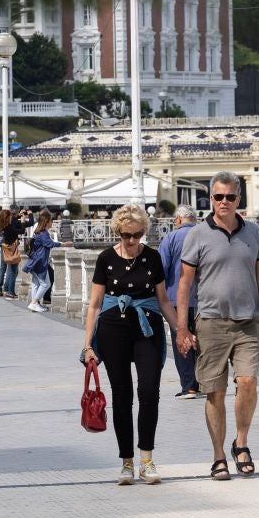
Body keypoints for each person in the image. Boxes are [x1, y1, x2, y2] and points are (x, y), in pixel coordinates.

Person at [176, 171, 259, 481]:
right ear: (211, 199)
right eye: (218, 197)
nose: (223, 202)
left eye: (229, 197)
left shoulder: (253, 233)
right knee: (215, 392)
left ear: (238, 199)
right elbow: (184, 283)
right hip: (210, 324)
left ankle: (241, 444)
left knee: (247, 382)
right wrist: (182, 327)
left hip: (248, 322)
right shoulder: (197, 235)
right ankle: (218, 455)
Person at [82, 205, 177, 485]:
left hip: (147, 328)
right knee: (122, 395)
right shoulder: (106, 259)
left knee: (149, 390)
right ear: (118, 233)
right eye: (127, 235)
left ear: (144, 232)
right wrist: (88, 344)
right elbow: (95, 304)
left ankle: (146, 459)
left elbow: (163, 300)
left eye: (137, 235)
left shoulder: (153, 258)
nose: (133, 241)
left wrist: (181, 330)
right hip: (113, 330)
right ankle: (126, 462)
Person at [158, 204, 200, 399]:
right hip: (204, 299)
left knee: (181, 339)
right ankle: (205, 381)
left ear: (179, 220)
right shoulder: (205, 234)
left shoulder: (171, 238)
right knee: (203, 339)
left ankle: (189, 386)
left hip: (176, 298)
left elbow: (161, 269)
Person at [23, 209, 72, 313]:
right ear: (46, 222)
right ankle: (34, 303)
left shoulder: (38, 232)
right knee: (46, 284)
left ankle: (34, 304)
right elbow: (50, 244)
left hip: (34, 262)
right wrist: (64, 244)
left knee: (36, 284)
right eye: (51, 221)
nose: (52, 223)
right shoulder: (43, 233)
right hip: (39, 263)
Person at [0, 208, 32, 300]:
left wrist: (19, 215)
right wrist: (23, 222)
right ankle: (10, 292)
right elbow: (22, 231)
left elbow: (13, 220)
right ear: (8, 217)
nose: (12, 216)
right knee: (12, 271)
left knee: (4, 269)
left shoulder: (4, 225)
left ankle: (4, 289)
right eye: (10, 215)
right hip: (11, 250)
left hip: (5, 249)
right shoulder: (10, 227)